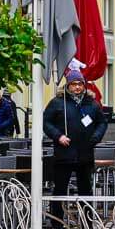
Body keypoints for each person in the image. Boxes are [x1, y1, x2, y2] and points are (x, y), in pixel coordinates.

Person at [42, 70, 107, 214]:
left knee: (86, 191)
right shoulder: (57, 102)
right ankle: (57, 224)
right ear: (68, 85)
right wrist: (58, 136)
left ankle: (87, 226)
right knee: (60, 190)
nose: (77, 87)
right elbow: (46, 122)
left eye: (80, 84)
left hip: (85, 154)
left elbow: (102, 122)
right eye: (73, 84)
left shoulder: (92, 103)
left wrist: (96, 137)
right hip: (64, 154)